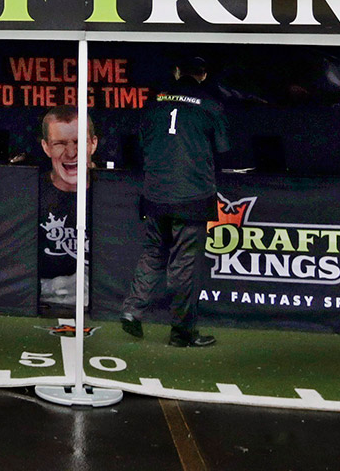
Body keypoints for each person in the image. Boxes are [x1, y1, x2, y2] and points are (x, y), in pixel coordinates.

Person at [121, 56, 229, 348]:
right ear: (203, 75)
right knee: (184, 264)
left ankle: (132, 310)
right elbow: (223, 149)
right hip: (193, 196)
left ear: (177, 71)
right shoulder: (211, 105)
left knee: (153, 252)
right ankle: (182, 333)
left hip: (155, 193)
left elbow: (140, 144)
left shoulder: (153, 103)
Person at [37, 106, 98, 312]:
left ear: (93, 144)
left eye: (79, 142)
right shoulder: (29, 193)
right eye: (60, 143)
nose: (71, 153)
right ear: (46, 147)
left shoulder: (114, 195)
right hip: (43, 304)